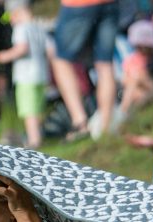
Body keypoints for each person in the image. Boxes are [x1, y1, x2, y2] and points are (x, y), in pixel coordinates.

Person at [49, 0, 119, 140]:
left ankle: (80, 123)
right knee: (105, 64)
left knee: (61, 60)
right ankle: (105, 129)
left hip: (79, 4)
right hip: (111, 3)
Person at [0, 0, 49, 150]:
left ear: (17, 12)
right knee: (38, 107)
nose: (10, 21)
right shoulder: (38, 26)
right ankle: (38, 134)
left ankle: (33, 141)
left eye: (10, 16)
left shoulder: (21, 28)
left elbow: (22, 48)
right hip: (41, 74)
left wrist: (4, 56)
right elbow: (49, 50)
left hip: (26, 76)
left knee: (28, 110)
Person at [118, 19, 153, 115]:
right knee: (134, 88)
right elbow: (124, 79)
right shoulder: (132, 59)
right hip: (134, 91)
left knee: (135, 81)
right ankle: (125, 113)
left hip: (148, 88)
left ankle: (124, 112)